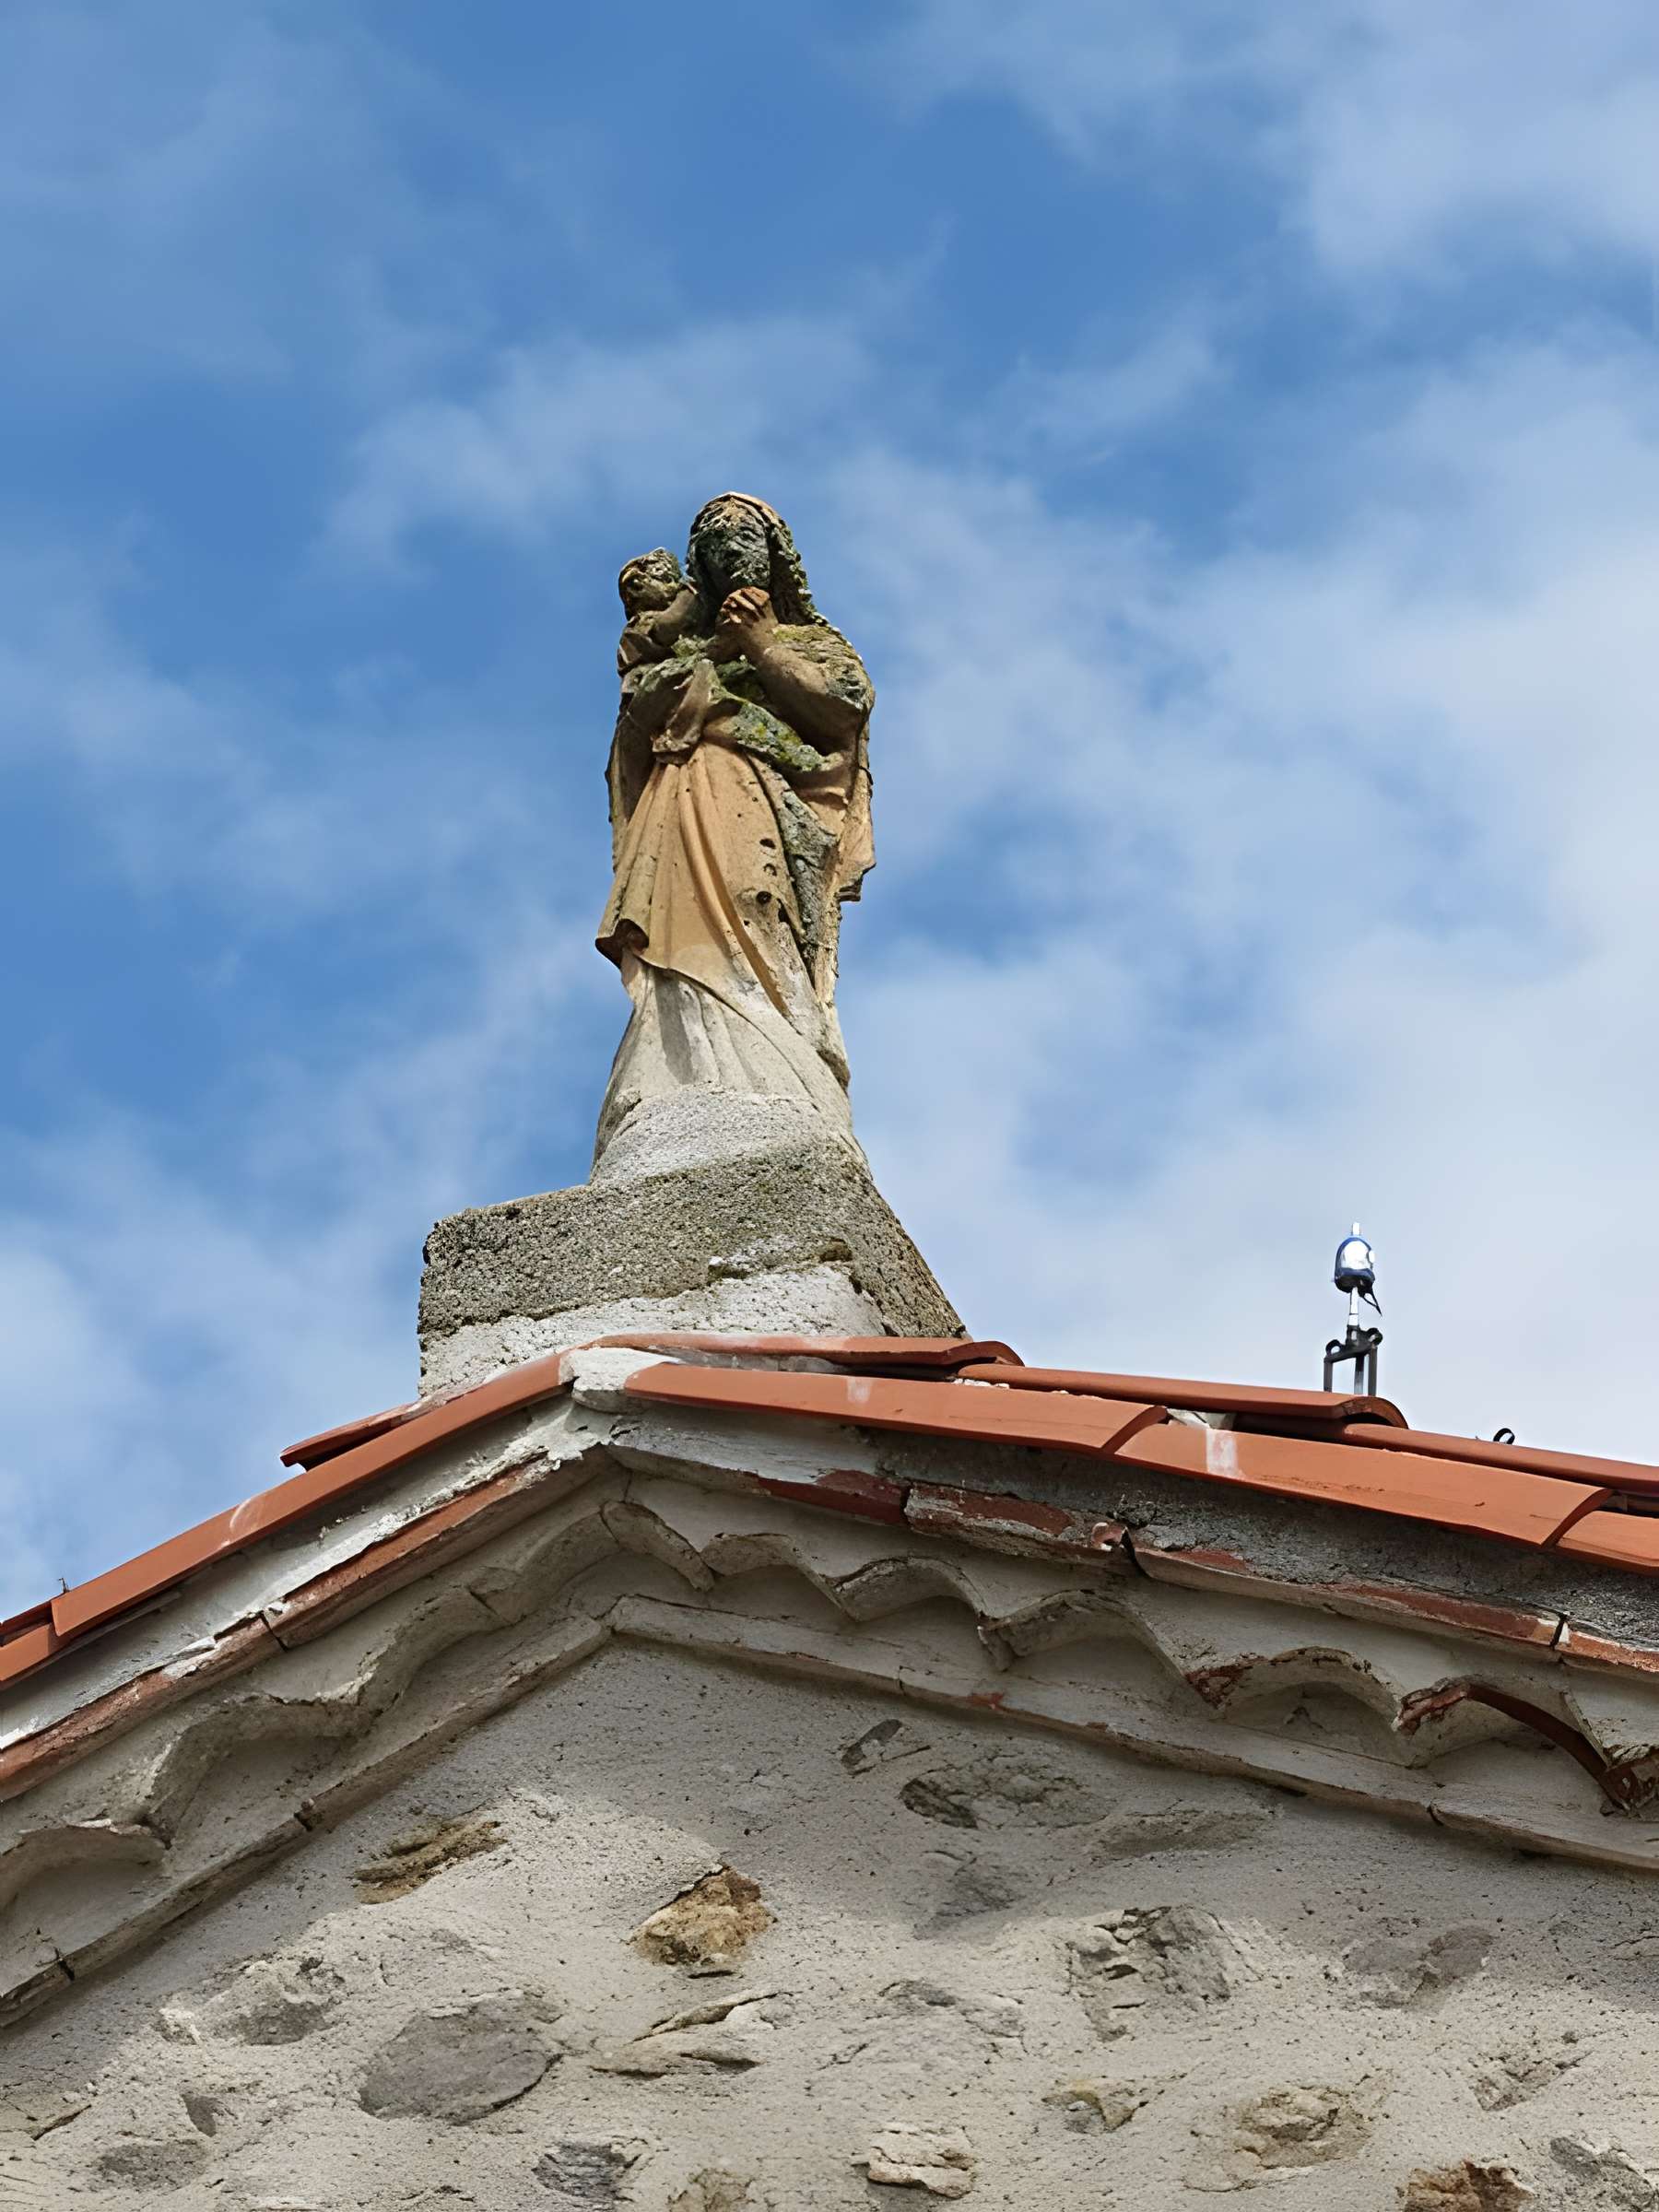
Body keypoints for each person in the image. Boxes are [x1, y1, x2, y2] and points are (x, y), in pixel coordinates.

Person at [595, 494, 875, 1164]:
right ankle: (676, 1072)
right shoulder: (681, 650)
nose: (732, 555)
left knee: (757, 907)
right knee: (675, 922)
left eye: (744, 541)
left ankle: (779, 1063)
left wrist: (759, 643)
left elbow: (842, 710)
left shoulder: (810, 642)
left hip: (762, 798)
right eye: (716, 547)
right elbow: (637, 722)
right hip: (683, 789)